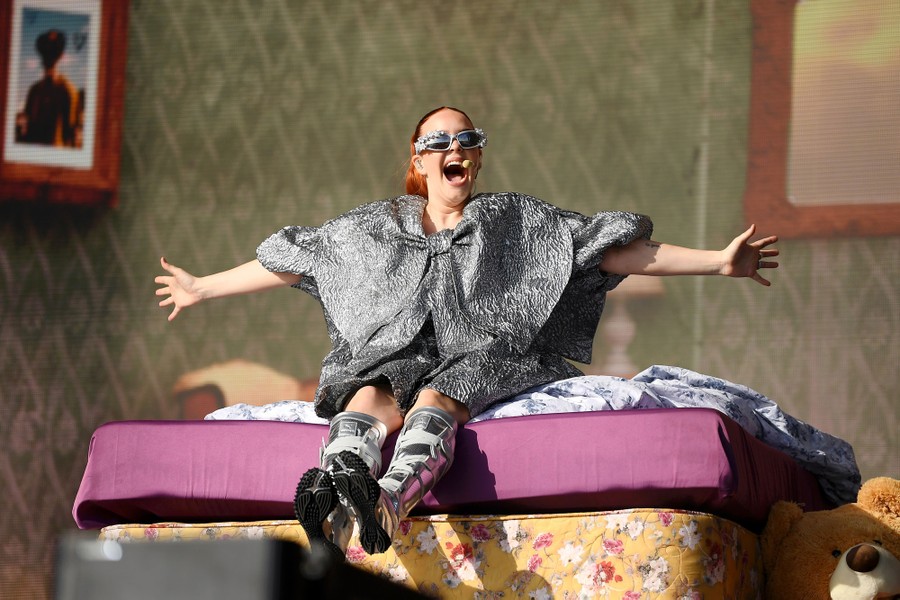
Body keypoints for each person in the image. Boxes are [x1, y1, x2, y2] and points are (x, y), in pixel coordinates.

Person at [155, 106, 779, 560]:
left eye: (468, 138)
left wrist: (718, 262)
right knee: (366, 389)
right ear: (419, 161)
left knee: (437, 396)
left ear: (475, 157)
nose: (456, 147)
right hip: (395, 349)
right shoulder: (375, 226)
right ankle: (337, 485)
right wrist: (202, 286)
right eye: (440, 139)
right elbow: (301, 256)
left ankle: (388, 502)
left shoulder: (514, 220)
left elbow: (606, 250)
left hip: (483, 351)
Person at [18, 29, 80, 147]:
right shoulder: (35, 91)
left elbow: (71, 136)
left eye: (51, 52)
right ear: (62, 56)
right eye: (47, 52)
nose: (48, 57)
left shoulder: (67, 91)